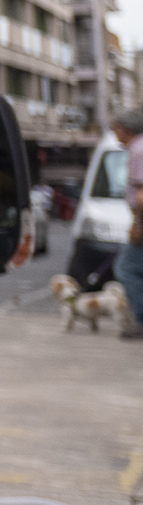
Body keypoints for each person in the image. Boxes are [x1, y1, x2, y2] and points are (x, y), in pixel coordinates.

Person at [117, 112, 143, 339]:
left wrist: (138, 224)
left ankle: (140, 318)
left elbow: (141, 194)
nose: (115, 133)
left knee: (126, 269)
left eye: (116, 128)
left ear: (125, 128)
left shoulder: (138, 150)